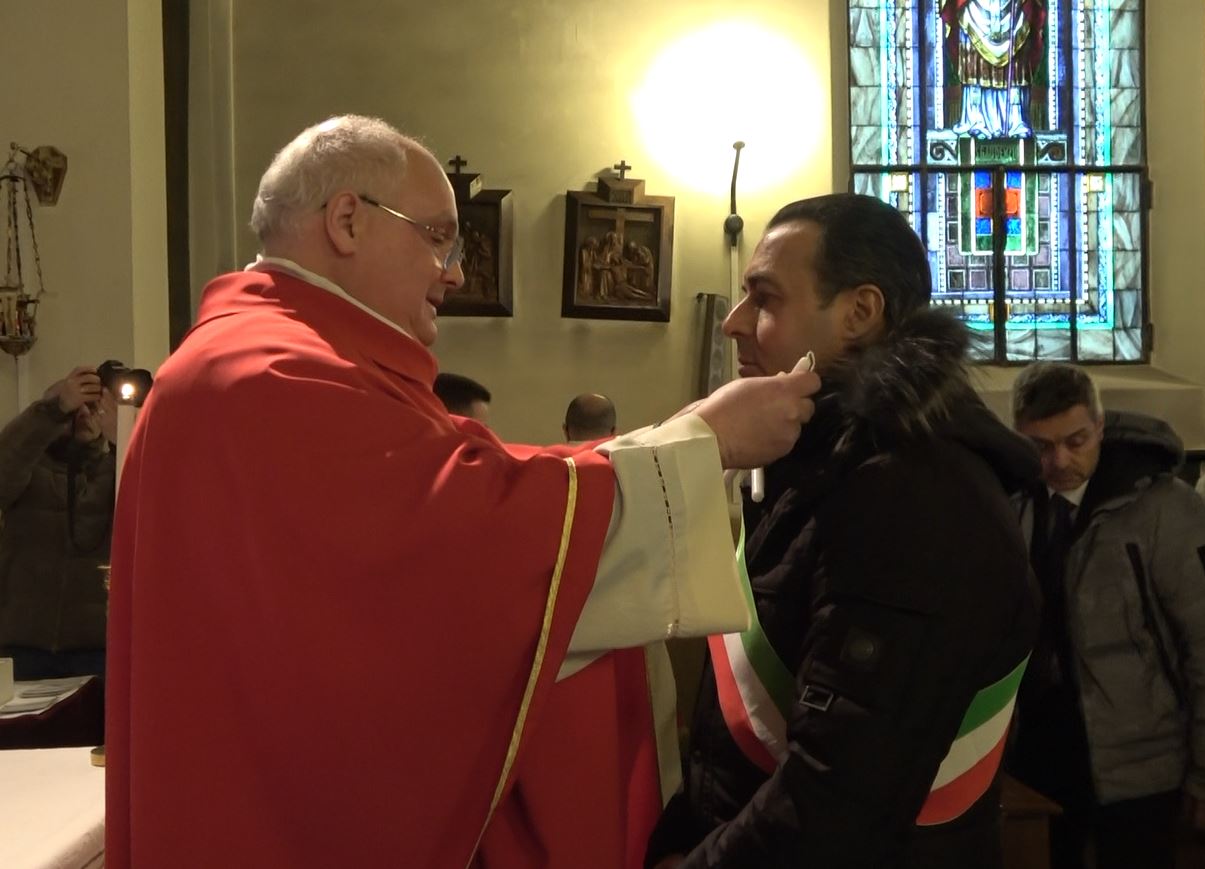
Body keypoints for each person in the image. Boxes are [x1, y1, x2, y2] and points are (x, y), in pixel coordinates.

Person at [104, 115, 822, 869]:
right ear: (347, 220)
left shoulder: (272, 354)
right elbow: (466, 542)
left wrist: (677, 440)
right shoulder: (270, 373)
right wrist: (706, 443)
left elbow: (469, 486)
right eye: (438, 238)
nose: (452, 271)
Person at [646, 193, 1039, 869]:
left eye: (764, 298)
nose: (734, 323)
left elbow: (841, 794)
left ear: (859, 312)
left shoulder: (914, 495)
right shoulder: (820, 469)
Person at [1006, 362, 1205, 869]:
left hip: (1142, 758)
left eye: (1075, 441)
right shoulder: (1013, 504)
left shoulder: (1164, 510)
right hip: (1039, 750)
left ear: (1099, 426)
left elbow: (1202, 644)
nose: (1059, 460)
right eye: (1040, 446)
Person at [0, 365, 116, 681]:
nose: (83, 415)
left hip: (97, 646)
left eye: (92, 407)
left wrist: (127, 435)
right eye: (74, 409)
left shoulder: (115, 468)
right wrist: (53, 410)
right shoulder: (27, 469)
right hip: (24, 644)